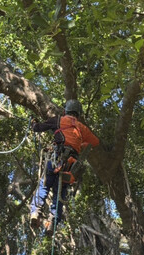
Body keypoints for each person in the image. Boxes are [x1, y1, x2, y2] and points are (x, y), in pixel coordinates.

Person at [30, 99, 99, 235]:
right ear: (78, 114)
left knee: (44, 185)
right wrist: (81, 143)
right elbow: (95, 142)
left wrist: (33, 122)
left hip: (56, 159)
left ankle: (35, 213)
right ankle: (52, 221)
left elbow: (37, 128)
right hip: (70, 165)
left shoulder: (58, 120)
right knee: (60, 192)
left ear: (65, 111)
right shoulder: (82, 127)